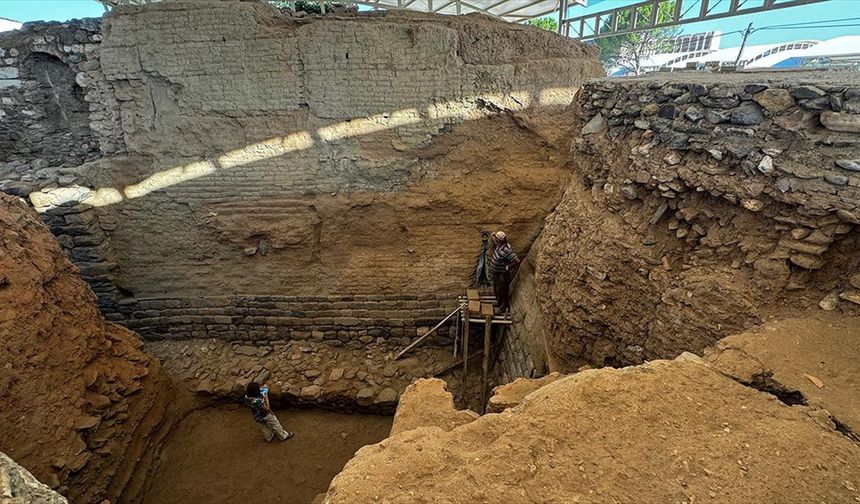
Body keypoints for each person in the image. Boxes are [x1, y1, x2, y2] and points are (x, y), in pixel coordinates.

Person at [490, 231, 521, 314]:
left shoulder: (506, 249)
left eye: (496, 238)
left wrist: (508, 267)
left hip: (502, 274)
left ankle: (502, 308)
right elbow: (493, 238)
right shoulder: (499, 245)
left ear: (499, 240)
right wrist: (493, 235)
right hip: (496, 272)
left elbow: (517, 260)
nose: (495, 240)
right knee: (497, 289)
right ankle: (499, 302)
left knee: (503, 290)